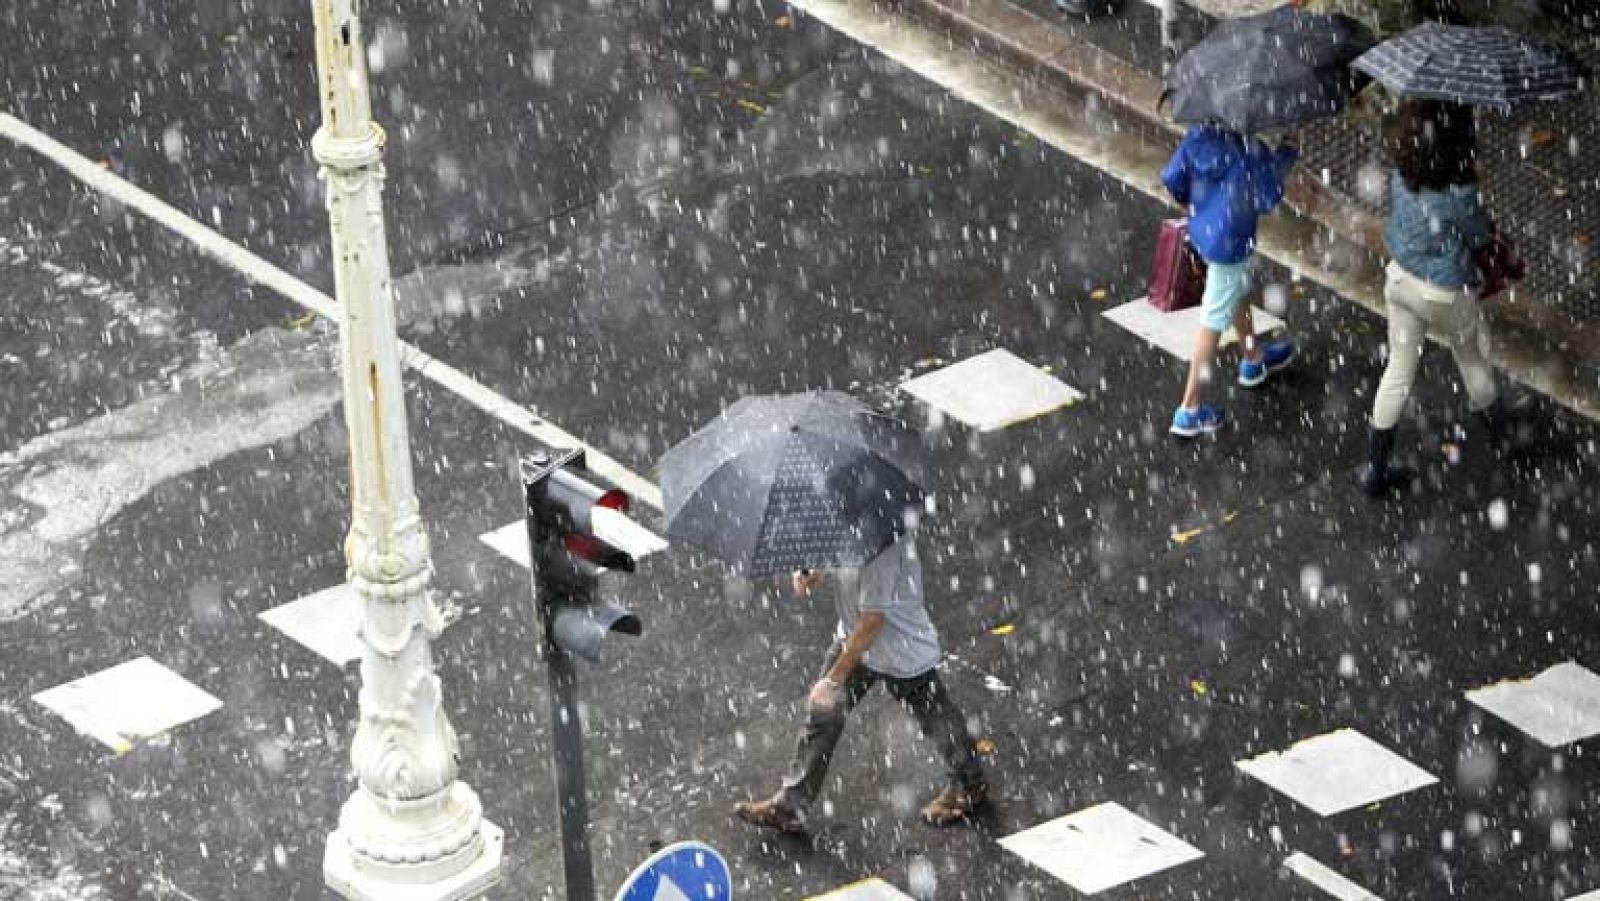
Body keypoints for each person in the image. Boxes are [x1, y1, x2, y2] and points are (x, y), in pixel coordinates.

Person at [733, 535, 987, 832]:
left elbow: (873, 621)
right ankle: (791, 804)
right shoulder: (850, 524)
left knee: (935, 717)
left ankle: (968, 784)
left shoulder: (883, 546)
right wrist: (818, 569)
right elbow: (846, 559)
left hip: (897, 650)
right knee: (822, 715)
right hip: (857, 641)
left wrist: (834, 678)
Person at [1360, 98, 1528, 496]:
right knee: (1472, 358)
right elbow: (1479, 236)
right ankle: (1503, 436)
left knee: (1398, 371)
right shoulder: (1460, 193)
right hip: (1445, 293)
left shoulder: (1403, 176)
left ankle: (1374, 470)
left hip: (1400, 281)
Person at [1159, 124, 1300, 437]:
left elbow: (1172, 177)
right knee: (1212, 321)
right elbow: (1268, 197)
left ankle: (1253, 359)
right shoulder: (1250, 152)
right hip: (1232, 244)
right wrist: (1287, 152)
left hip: (1204, 233)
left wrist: (1196, 206)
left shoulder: (1198, 135)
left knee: (1236, 293)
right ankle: (1189, 409)